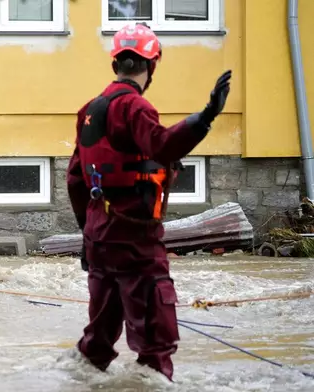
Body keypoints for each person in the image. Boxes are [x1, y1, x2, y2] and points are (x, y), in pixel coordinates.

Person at [66, 22, 231, 382]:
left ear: (115, 65)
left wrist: (86, 235)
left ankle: (76, 383)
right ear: (151, 65)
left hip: (99, 238)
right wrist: (205, 117)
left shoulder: (89, 110)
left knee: (98, 339)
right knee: (156, 341)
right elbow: (163, 145)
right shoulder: (135, 107)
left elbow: (76, 178)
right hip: (135, 239)